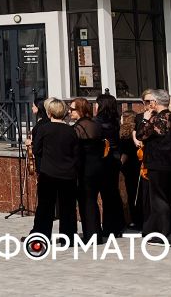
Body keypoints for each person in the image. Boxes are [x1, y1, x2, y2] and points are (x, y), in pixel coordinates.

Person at [134, 89, 171, 241]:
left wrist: (144, 119)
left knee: (159, 199)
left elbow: (140, 135)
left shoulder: (156, 119)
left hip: (158, 164)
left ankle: (165, 234)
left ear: (155, 103)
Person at [31, 98, 78, 241]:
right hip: (68, 173)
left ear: (50, 113)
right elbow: (75, 152)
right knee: (68, 207)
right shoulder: (71, 131)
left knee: (45, 206)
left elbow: (36, 149)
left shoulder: (44, 129)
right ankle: (68, 237)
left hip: (48, 173)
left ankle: (41, 235)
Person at [71, 97, 103, 242]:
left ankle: (91, 235)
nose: (70, 112)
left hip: (84, 168)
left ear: (80, 110)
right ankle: (96, 232)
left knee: (86, 202)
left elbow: (74, 150)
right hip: (96, 166)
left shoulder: (78, 128)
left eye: (72, 109)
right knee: (92, 200)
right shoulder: (95, 124)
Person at [94, 94, 125, 238]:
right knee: (113, 192)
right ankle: (117, 225)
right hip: (115, 158)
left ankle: (109, 227)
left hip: (104, 159)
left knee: (106, 194)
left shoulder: (98, 122)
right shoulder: (116, 120)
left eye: (96, 103)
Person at [118, 109, 142, 230]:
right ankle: (140, 219)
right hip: (138, 165)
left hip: (128, 167)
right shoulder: (137, 132)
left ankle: (134, 220)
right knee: (139, 193)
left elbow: (125, 153)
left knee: (131, 194)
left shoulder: (123, 134)